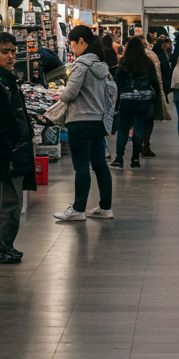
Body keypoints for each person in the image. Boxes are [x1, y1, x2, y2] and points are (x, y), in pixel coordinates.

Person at [0, 33, 37, 265]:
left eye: (13, 52)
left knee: (12, 203)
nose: (11, 56)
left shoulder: (6, 79)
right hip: (4, 153)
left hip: (16, 150)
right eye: (5, 52)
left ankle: (5, 244)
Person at [53, 26, 116, 222]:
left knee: (81, 166)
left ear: (82, 42)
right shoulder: (101, 66)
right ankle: (105, 207)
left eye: (72, 44)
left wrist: (60, 95)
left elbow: (70, 93)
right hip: (97, 120)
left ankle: (78, 209)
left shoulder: (80, 66)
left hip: (80, 120)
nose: (71, 48)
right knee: (100, 165)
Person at [112, 38, 160, 169]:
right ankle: (135, 159)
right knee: (139, 130)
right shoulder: (147, 62)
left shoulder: (124, 63)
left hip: (127, 100)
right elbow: (154, 82)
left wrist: (117, 100)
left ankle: (119, 158)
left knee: (123, 130)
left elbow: (117, 82)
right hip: (144, 100)